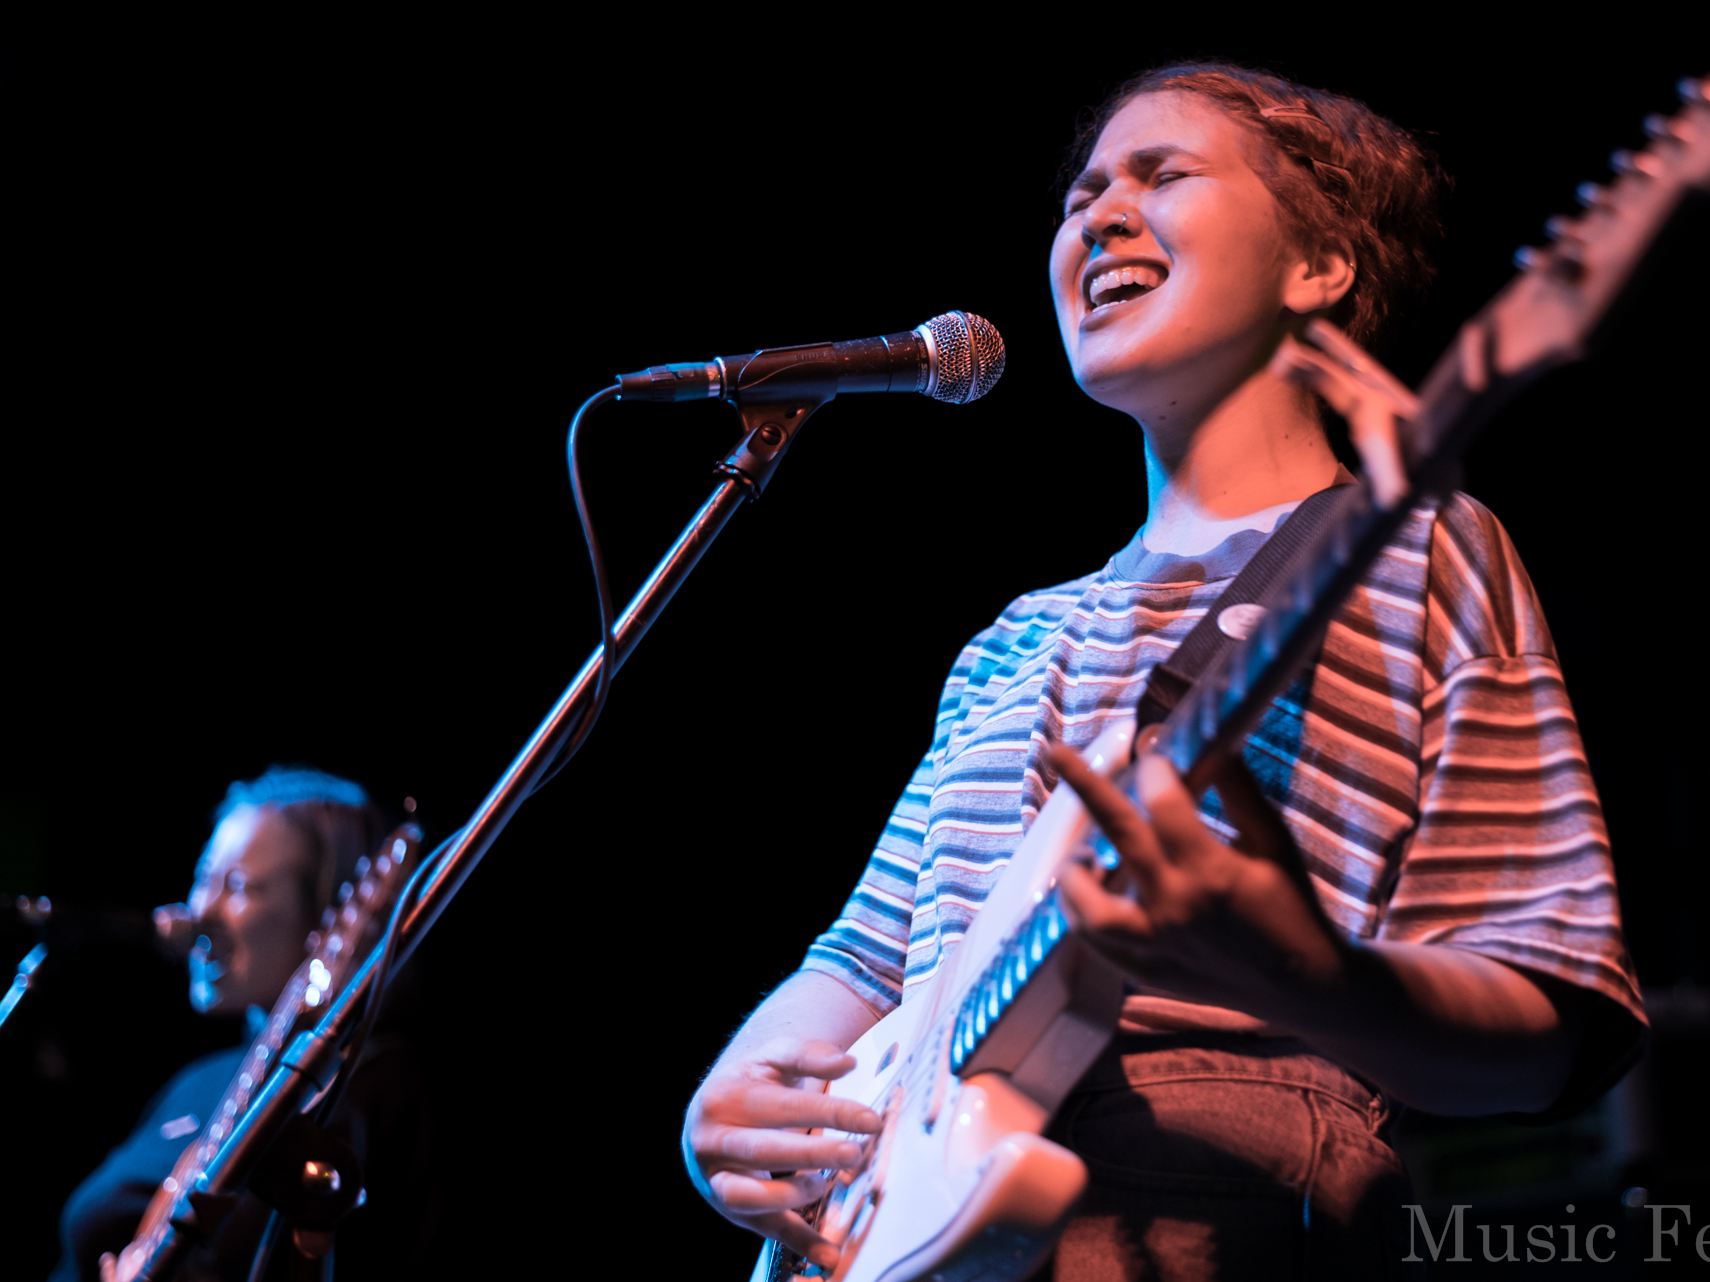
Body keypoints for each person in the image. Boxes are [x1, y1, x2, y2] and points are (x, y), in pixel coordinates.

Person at [682, 60, 1647, 1280]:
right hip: (892, 1224)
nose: (1099, 214)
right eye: (1082, 193)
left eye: (1162, 173)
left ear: (1319, 267)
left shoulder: (1420, 548)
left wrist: (1305, 975)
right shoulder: (1012, 638)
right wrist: (733, 1098)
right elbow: (869, 960)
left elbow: (1544, 1015)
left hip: (1213, 1188)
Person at [52, 767, 438, 1282]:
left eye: (237, 886)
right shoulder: (193, 1083)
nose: (199, 911)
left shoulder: (380, 1087)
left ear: (329, 914)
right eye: (203, 877)